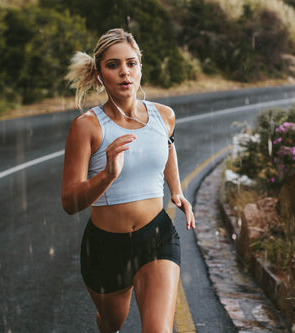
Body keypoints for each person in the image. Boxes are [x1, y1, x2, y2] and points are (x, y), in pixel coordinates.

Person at [61, 28, 195, 333]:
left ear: (140, 69)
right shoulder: (87, 127)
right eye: (113, 65)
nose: (124, 72)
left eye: (131, 63)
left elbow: (167, 145)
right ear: (99, 75)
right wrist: (107, 174)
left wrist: (176, 191)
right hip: (106, 248)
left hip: (156, 237)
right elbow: (69, 202)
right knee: (112, 324)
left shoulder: (164, 115)